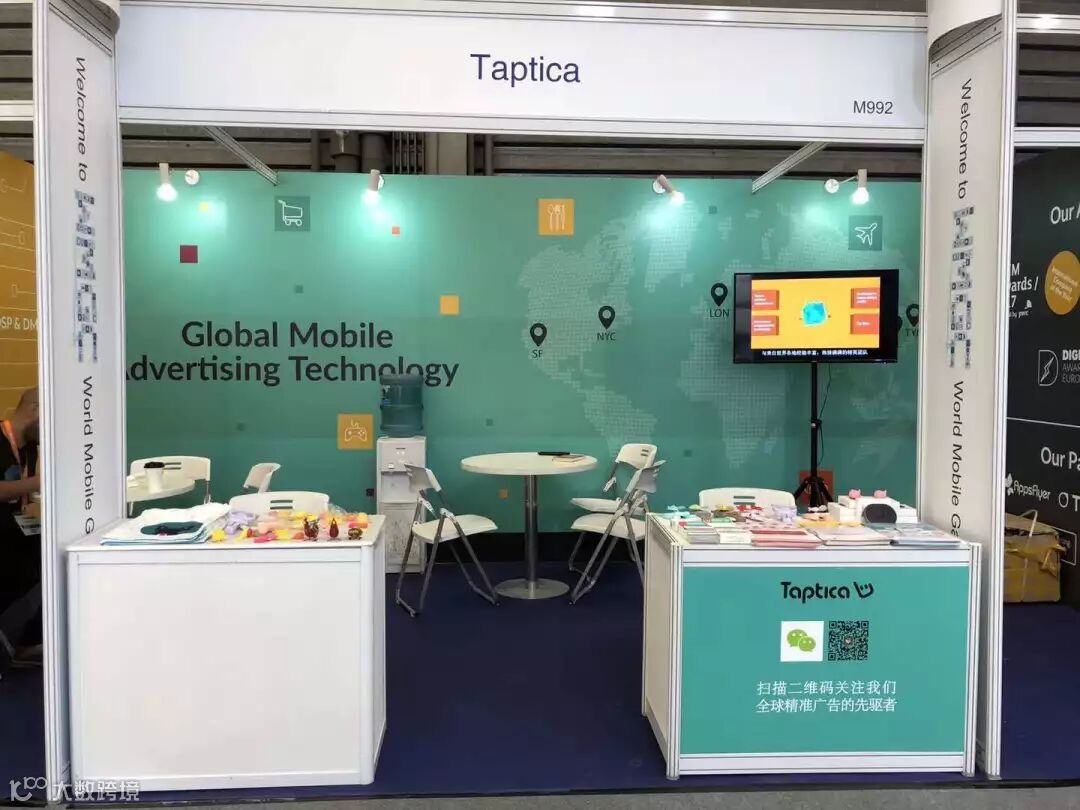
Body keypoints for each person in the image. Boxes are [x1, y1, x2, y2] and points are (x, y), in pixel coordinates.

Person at [0, 387, 41, 665]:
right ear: (35, 409)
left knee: (46, 554)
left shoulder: (28, 447)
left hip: (13, 524)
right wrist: (39, 482)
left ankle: (25, 642)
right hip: (4, 530)